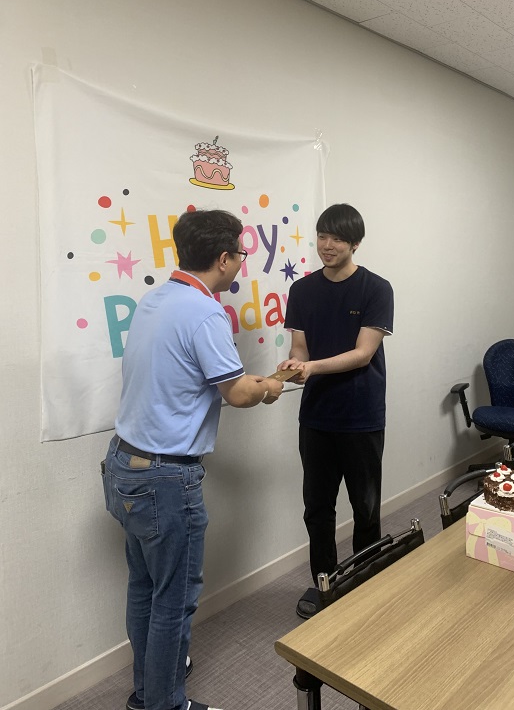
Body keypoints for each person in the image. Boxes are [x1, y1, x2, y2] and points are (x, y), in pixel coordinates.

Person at [102, 209, 283, 710]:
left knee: (145, 587)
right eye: (240, 255)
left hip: (124, 465)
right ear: (224, 259)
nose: (241, 264)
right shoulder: (205, 313)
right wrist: (272, 386)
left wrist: (255, 383)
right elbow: (238, 394)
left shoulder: (154, 299)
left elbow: (194, 379)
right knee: (174, 600)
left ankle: (147, 693)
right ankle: (166, 703)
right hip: (164, 480)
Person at [278, 203, 394, 619]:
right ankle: (325, 582)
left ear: (355, 244)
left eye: (338, 239)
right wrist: (294, 365)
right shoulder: (302, 290)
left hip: (362, 415)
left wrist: (311, 368)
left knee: (365, 507)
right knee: (317, 509)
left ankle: (366, 578)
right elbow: (300, 348)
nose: (327, 246)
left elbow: (363, 354)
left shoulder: (376, 289)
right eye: (322, 236)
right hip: (316, 417)